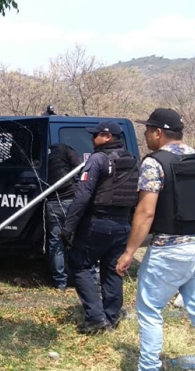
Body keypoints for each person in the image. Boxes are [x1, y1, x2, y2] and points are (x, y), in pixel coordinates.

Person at [115, 108, 195, 371]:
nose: (146, 135)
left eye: (148, 130)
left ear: (158, 132)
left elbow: (146, 213)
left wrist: (128, 252)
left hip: (169, 250)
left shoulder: (154, 163)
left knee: (149, 310)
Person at [60, 120, 139, 334]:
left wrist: (68, 227)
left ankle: (96, 318)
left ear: (107, 137)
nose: (91, 139)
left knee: (79, 265)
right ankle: (111, 317)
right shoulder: (132, 160)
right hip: (123, 224)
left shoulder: (98, 159)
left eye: (94, 135)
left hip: (97, 222)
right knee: (114, 270)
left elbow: (82, 195)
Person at [44, 143, 82, 291]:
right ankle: (80, 278)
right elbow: (80, 167)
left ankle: (60, 282)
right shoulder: (64, 148)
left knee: (56, 242)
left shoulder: (39, 149)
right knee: (76, 240)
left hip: (52, 202)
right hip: (71, 200)